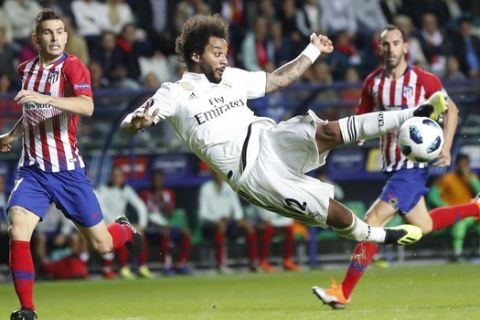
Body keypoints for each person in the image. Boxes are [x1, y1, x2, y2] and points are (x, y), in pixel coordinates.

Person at [120, 14, 443, 277]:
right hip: (253, 175)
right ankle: (384, 236)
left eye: (225, 52)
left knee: (327, 130)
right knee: (334, 214)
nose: (223, 59)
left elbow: (276, 79)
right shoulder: (174, 92)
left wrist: (312, 51)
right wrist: (138, 122)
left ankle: (413, 113)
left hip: (267, 137)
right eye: (216, 53)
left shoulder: (231, 77)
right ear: (194, 55)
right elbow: (132, 121)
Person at [312, 25, 480, 310]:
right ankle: (475, 208)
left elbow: (452, 109)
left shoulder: (423, 80)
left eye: (395, 43)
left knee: (372, 222)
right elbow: (362, 115)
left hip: (410, 167)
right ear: (380, 48)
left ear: (405, 47)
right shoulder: (373, 83)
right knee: (423, 224)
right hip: (391, 166)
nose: (390, 48)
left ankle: (342, 292)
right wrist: (361, 133)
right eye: (385, 44)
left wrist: (448, 147)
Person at [0, 10, 143, 320]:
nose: (55, 37)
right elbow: (32, 112)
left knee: (102, 245)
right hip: (33, 171)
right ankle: (27, 310)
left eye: (60, 31)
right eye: (48, 32)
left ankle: (125, 231)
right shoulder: (25, 68)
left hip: (68, 172)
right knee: (17, 227)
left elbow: (87, 106)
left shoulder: (73, 68)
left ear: (66, 36)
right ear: (36, 38)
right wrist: (12, 134)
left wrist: (44, 98)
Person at [95, 166, 152, 279]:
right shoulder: (103, 190)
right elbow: (101, 208)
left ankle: (142, 267)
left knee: (139, 235)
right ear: (111, 177)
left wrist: (142, 224)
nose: (117, 178)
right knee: (118, 235)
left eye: (119, 176)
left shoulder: (126, 190)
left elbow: (140, 206)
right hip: (105, 222)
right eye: (114, 176)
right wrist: (115, 222)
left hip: (120, 222)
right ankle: (120, 269)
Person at [198, 171, 258, 273]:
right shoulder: (206, 188)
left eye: (221, 173)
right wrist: (217, 220)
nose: (220, 176)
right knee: (221, 227)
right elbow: (203, 214)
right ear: (213, 174)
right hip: (210, 225)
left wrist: (238, 219)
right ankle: (220, 265)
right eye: (217, 173)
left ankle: (253, 263)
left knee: (248, 227)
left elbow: (237, 209)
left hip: (228, 223)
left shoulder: (229, 188)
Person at [428, 154, 480, 262]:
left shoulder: (472, 178)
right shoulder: (448, 178)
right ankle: (457, 255)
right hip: (455, 215)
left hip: (470, 214)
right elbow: (432, 196)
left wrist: (472, 181)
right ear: (456, 165)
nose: (463, 167)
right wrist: (447, 208)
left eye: (465, 165)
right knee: (460, 223)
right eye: (461, 164)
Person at [142, 170, 192, 276]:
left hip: (167, 225)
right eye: (155, 180)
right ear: (152, 181)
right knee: (165, 232)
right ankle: (166, 266)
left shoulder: (168, 194)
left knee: (186, 232)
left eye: (159, 179)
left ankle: (181, 264)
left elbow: (171, 214)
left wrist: (163, 202)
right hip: (152, 227)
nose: (157, 182)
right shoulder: (146, 194)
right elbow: (144, 215)